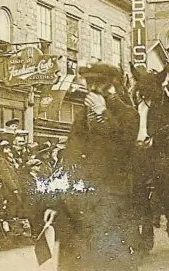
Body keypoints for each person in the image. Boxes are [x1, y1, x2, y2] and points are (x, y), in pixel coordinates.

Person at [42, 63, 143, 271]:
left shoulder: (128, 115)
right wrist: (54, 202)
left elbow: (121, 150)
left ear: (112, 86)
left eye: (98, 83)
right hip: (77, 206)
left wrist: (102, 113)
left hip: (110, 205)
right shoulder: (81, 117)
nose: (92, 89)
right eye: (89, 83)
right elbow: (69, 160)